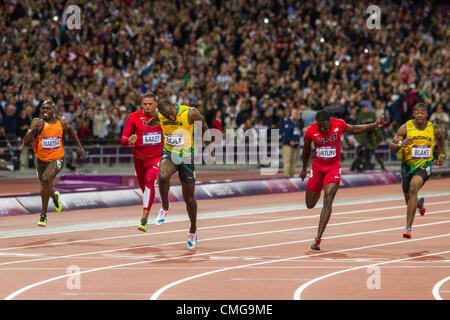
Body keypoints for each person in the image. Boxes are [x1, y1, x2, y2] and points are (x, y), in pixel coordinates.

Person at [300, 110, 387, 250]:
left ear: (329, 121)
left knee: (328, 198)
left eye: (325, 126)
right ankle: (317, 190)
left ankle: (318, 238)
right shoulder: (310, 131)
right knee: (310, 204)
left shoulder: (338, 124)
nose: (323, 129)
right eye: (320, 127)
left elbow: (356, 129)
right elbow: (306, 150)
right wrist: (304, 169)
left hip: (333, 168)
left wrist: (375, 124)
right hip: (317, 169)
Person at [148, 99, 213, 249]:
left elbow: (204, 127)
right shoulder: (161, 115)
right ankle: (164, 207)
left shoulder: (190, 113)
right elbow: (155, 120)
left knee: (189, 199)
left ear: (173, 106)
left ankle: (193, 230)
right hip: (170, 153)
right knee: (162, 175)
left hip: (186, 157)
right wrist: (152, 122)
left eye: (170, 115)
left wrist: (210, 150)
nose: (169, 118)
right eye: (165, 116)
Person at [23, 100, 85, 227]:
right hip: (41, 160)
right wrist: (32, 131)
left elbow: (71, 131)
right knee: (45, 184)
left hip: (57, 158)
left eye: (48, 108)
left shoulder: (61, 121)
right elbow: (26, 142)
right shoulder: (37, 122)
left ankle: (43, 215)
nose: (45, 111)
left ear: (54, 111)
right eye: (43, 108)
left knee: (46, 179)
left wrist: (79, 146)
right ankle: (55, 198)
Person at [389, 103, 445, 239]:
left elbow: (441, 139)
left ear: (426, 114)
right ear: (413, 114)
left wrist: (441, 155)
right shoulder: (405, 128)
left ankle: (408, 228)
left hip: (424, 166)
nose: (420, 115)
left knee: (414, 189)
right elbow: (392, 147)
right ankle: (419, 204)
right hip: (407, 167)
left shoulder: (434, 129)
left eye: (422, 113)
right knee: (409, 198)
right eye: (417, 113)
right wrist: (401, 144)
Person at [121, 92, 163, 233]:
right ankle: (155, 202)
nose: (147, 107)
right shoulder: (133, 117)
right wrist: (129, 140)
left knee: (150, 180)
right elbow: (123, 140)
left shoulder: (163, 117)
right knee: (145, 190)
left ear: (156, 104)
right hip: (139, 160)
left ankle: (144, 219)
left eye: (150, 104)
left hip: (157, 158)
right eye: (144, 104)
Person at [280, 108, 302, 177]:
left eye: (297, 113)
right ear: (291, 113)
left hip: (295, 144)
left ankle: (292, 175)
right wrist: (289, 141)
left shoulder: (297, 122)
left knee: (293, 161)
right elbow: (285, 133)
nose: (296, 114)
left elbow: (298, 133)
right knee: (287, 161)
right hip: (288, 145)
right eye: (295, 113)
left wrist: (298, 141)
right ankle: (286, 175)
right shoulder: (287, 122)